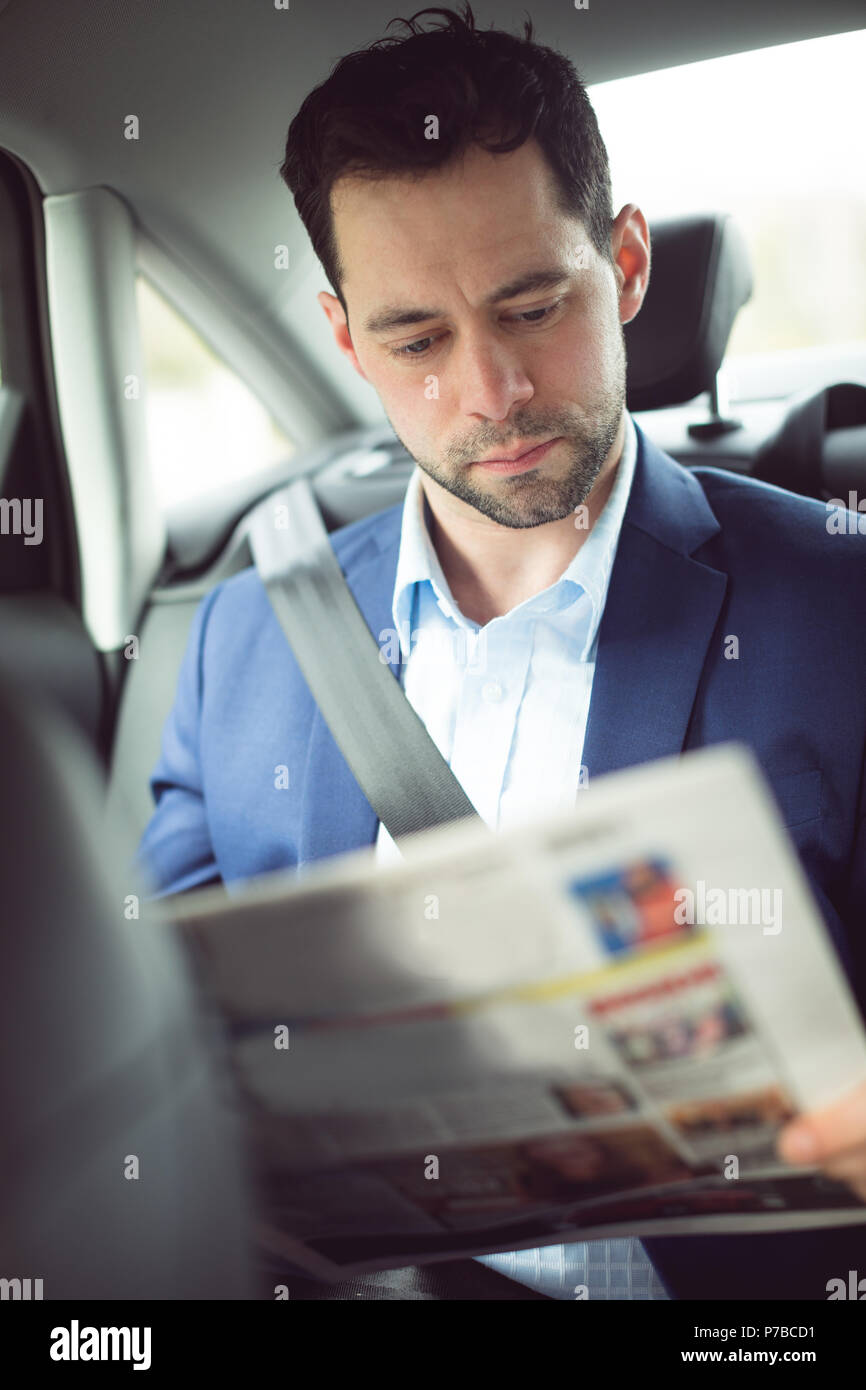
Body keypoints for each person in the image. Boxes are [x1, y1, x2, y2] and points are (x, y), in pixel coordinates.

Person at [137, 4, 866, 1300]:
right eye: (416, 340)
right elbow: (164, 1045)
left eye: (532, 306)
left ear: (625, 265)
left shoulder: (838, 602)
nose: (490, 392)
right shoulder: (245, 638)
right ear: (346, 339)